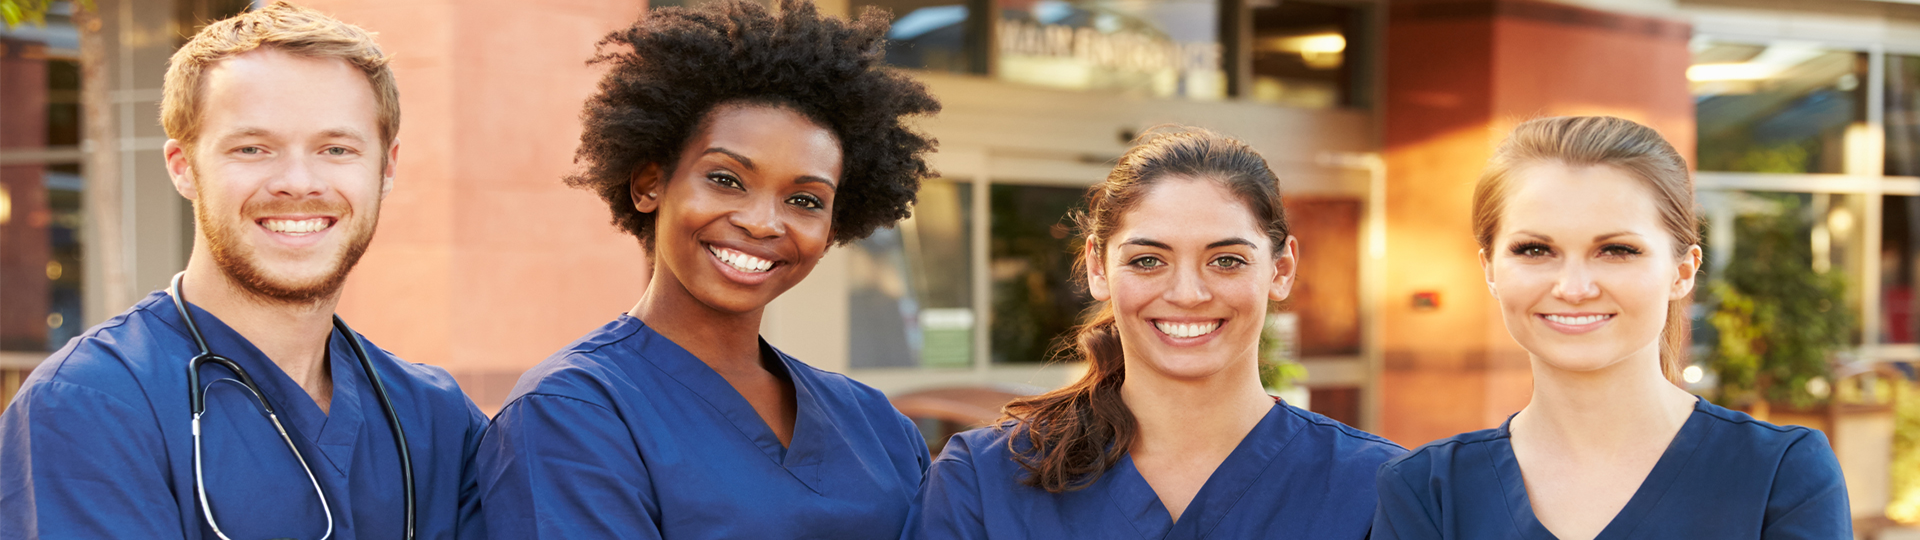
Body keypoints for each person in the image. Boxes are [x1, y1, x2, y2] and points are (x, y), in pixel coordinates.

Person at [0, 3, 488, 539]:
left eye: (336, 148)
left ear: (386, 167)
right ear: (184, 167)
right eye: (252, 148)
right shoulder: (90, 403)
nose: (298, 182)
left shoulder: (437, 419)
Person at [471, 0, 940, 537]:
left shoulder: (877, 427)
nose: (763, 223)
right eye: (726, 179)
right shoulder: (571, 412)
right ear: (651, 183)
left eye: (806, 201)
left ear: (833, 227)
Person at [908, 128, 1404, 540]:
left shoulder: (1377, 489)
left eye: (1226, 260)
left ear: (1281, 269)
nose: (1187, 294)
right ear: (1097, 268)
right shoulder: (984, 480)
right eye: (1148, 260)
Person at [1371, 116, 1851, 539]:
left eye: (1617, 250)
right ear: (1490, 270)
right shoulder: (1427, 489)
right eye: (1535, 250)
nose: (1574, 287)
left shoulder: (1778, 472)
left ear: (1682, 272)